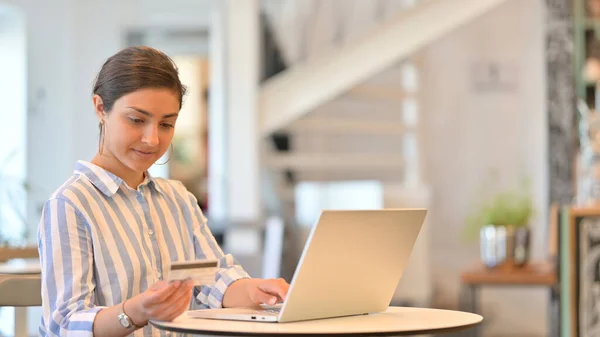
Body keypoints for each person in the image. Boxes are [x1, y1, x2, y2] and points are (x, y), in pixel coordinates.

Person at [37, 46, 289, 337]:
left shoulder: (177, 198)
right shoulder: (70, 205)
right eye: (136, 120)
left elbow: (209, 280)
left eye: (166, 124)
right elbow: (65, 324)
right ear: (100, 108)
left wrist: (256, 290)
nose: (152, 139)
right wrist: (135, 312)